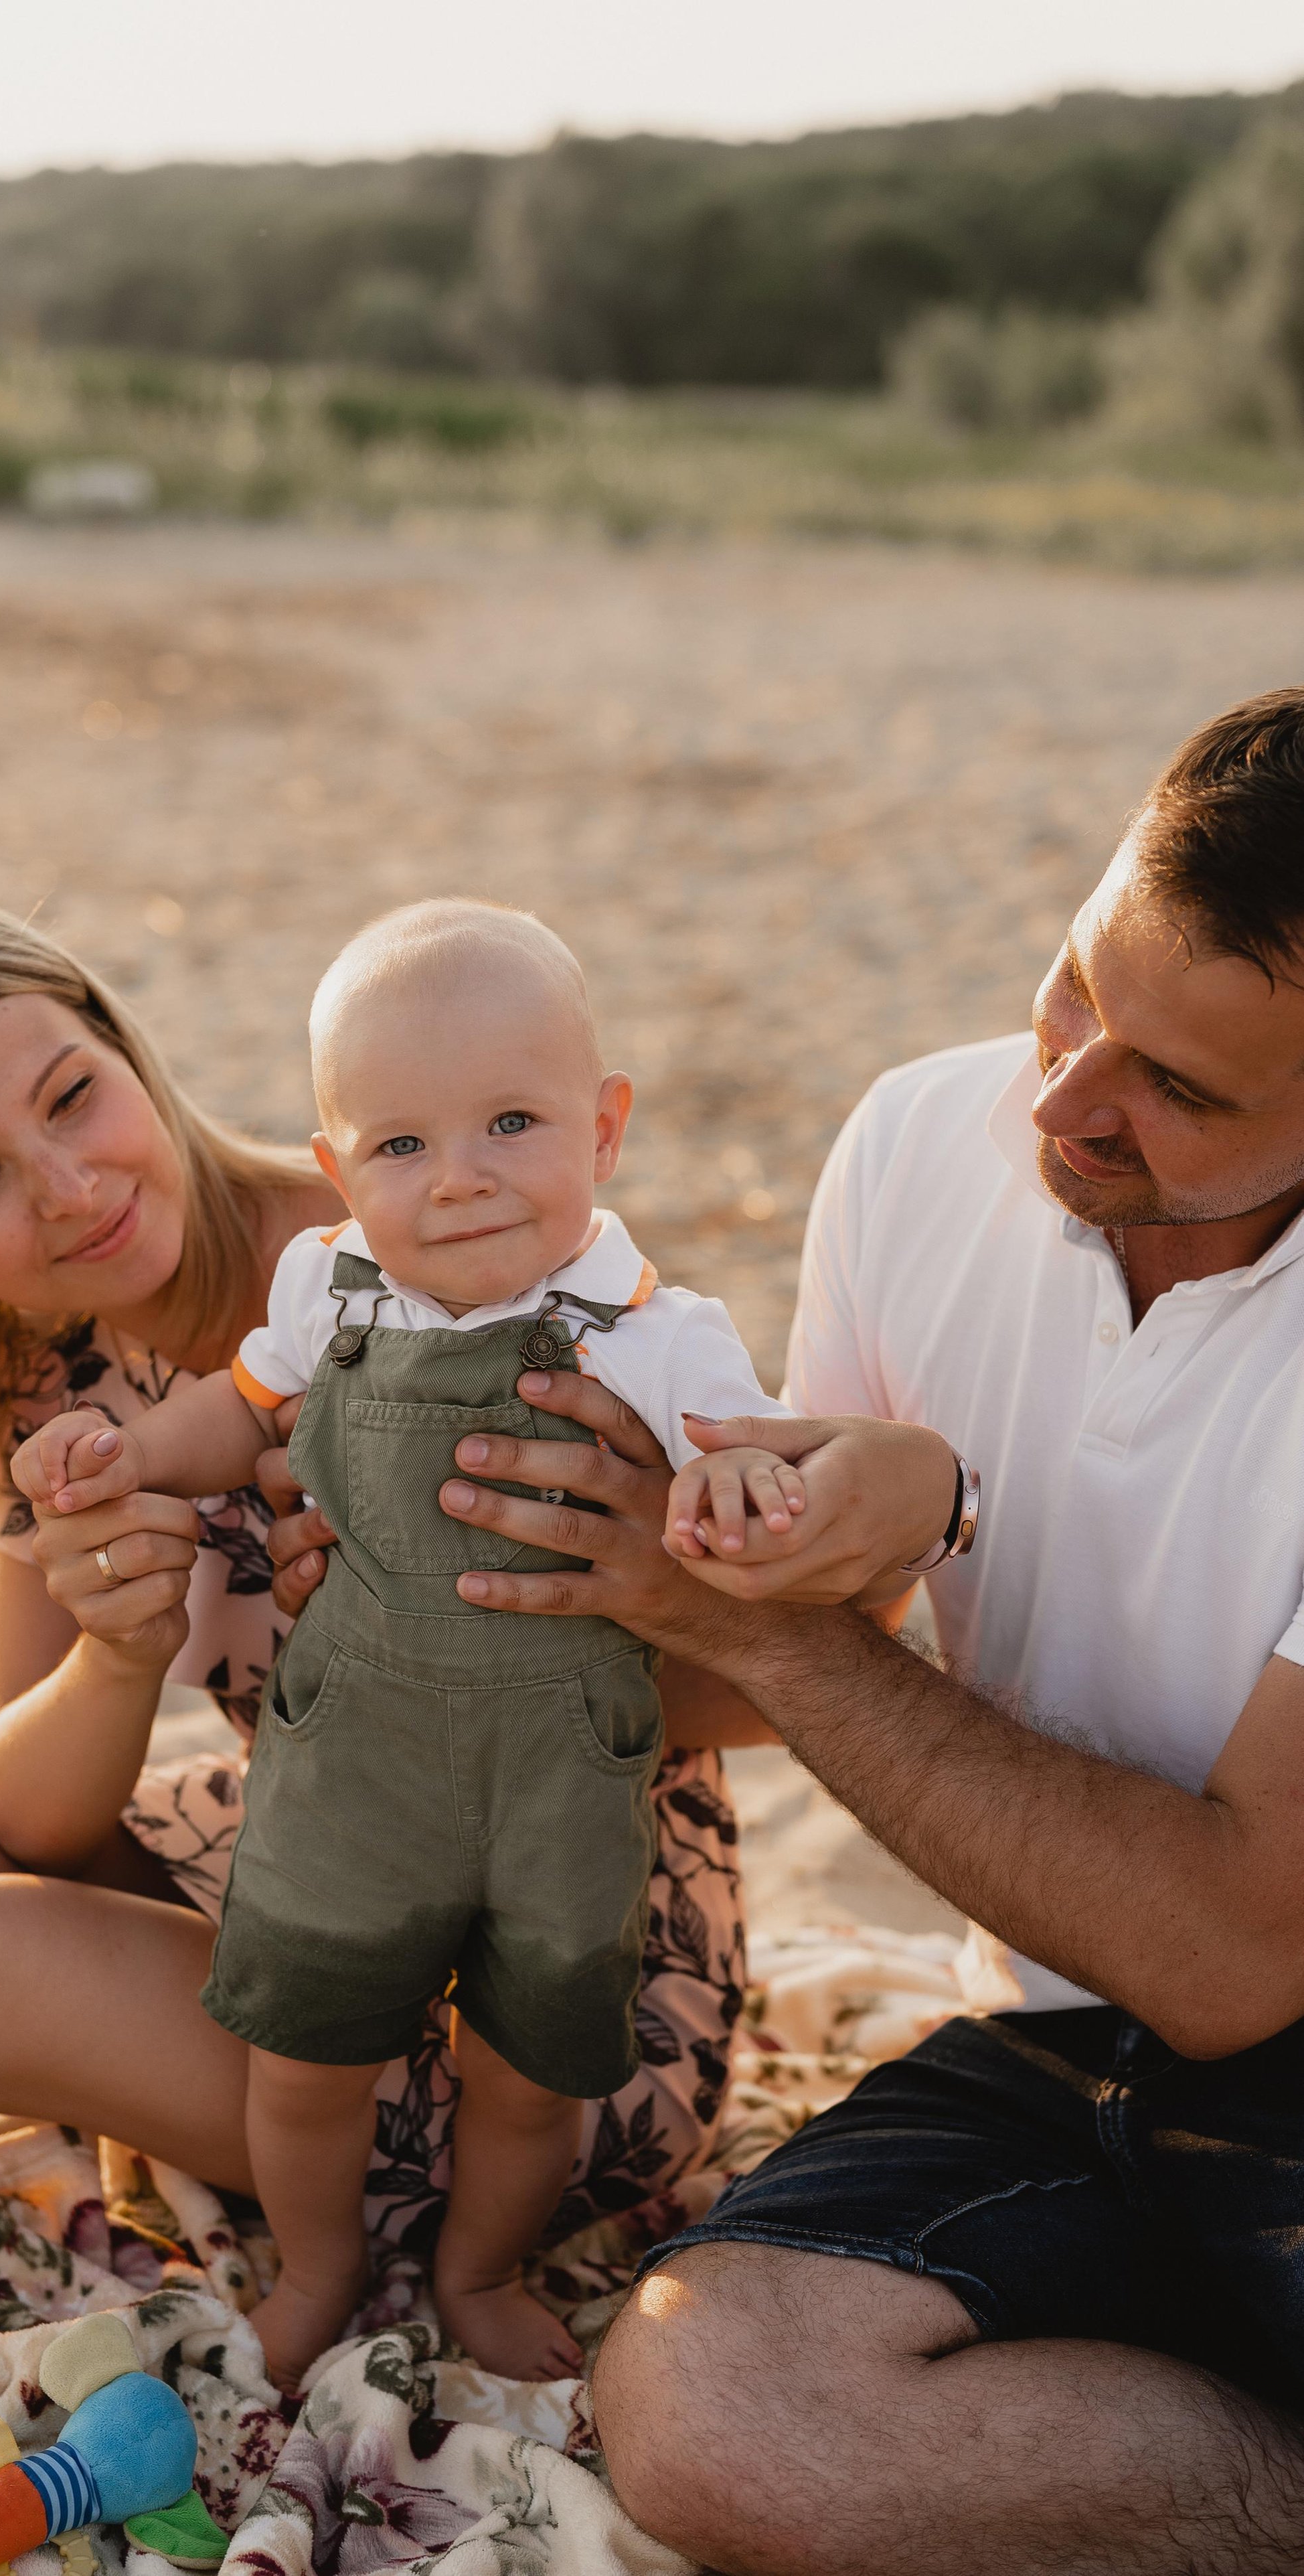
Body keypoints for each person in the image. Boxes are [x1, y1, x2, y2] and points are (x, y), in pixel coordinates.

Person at [0, 878, 953, 2282]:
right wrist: (117, 1655)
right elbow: (37, 1821)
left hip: (558, 1989)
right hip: (324, 1868)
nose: (70, 1190)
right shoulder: (50, 1373)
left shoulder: (421, 1246)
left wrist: (600, 1581)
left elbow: (778, 1682)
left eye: (70, 1097)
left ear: (126, 1050)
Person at [380, 691, 1304, 2570]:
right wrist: (491, 1571)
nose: (1058, 1098)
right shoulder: (915, 1144)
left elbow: (1230, 1955)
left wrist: (813, 1635)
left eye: (1178, 1090)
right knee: (709, 2408)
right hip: (1054, 2030)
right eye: (1075, 989)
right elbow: (765, 1654)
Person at [14, 901, 825, 2385]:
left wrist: (726, 1479)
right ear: (335, 1173)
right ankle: (321, 2265)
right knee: (305, 2057)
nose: (456, 1180)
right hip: (355, 1775)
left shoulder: (652, 1331)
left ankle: (480, 2267)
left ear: (605, 1125)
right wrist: (125, 1455)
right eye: (398, 1146)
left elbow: (743, 1452)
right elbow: (229, 1412)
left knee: (529, 2080)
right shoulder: (326, 1293)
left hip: (562, 1783)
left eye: (509, 1123)